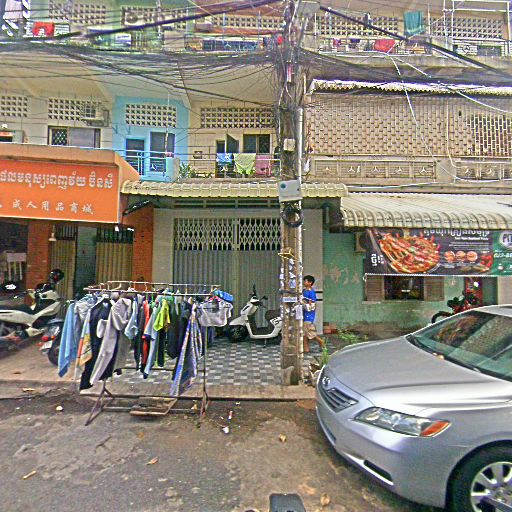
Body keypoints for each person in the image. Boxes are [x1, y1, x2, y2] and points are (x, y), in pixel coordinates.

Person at [302, 275, 325, 353]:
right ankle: (306, 348)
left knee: (309, 332)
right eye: (304, 281)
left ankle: (320, 341)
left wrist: (304, 302)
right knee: (304, 332)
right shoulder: (304, 291)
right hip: (303, 313)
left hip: (309, 314)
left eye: (306, 281)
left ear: (310, 282)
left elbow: (312, 304)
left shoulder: (311, 292)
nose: (304, 282)